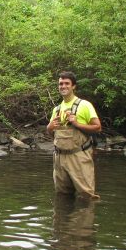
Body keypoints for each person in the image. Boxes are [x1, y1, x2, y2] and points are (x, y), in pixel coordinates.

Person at [46, 71, 101, 199]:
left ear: (73, 86)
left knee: (86, 197)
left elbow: (97, 127)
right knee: (62, 196)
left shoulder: (84, 105)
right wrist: (49, 127)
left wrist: (76, 123)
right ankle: (62, 219)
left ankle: (86, 218)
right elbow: (51, 134)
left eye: (66, 83)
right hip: (59, 158)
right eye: (61, 84)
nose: (63, 86)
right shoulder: (57, 109)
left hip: (79, 157)